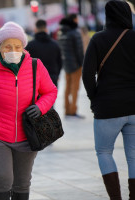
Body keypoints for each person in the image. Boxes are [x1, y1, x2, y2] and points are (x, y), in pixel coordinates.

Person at [0, 21, 57, 200]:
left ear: (23, 46)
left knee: (22, 182)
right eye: (8, 46)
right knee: (3, 178)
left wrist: (40, 107)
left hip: (27, 134)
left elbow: (50, 91)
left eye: (17, 46)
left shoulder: (35, 65)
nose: (13, 50)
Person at [82, 1, 135, 199]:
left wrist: (94, 98)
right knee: (133, 155)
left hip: (107, 107)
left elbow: (88, 75)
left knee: (104, 152)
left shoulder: (98, 39)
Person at [57, 14, 84, 118]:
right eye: (76, 19)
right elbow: (79, 50)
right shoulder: (74, 33)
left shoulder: (61, 33)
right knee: (75, 88)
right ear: (73, 20)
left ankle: (67, 109)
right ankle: (73, 110)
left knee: (67, 88)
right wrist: (82, 63)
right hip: (76, 65)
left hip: (66, 64)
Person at [26, 19, 62, 87]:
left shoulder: (29, 46)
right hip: (52, 78)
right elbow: (60, 62)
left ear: (35, 30)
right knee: (51, 97)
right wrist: (57, 75)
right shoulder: (55, 44)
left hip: (35, 79)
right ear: (46, 30)